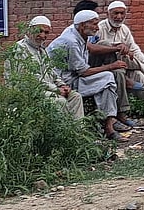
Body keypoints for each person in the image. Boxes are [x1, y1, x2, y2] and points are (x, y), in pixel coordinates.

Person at [47, 10, 130, 141]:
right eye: (94, 24)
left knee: (108, 79)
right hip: (64, 83)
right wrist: (111, 66)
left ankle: (109, 125)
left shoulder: (82, 37)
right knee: (108, 76)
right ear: (81, 26)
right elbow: (83, 72)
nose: (97, 28)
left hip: (75, 78)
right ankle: (108, 126)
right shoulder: (71, 42)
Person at [97, 0, 144, 116]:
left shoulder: (124, 29)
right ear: (108, 14)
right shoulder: (100, 28)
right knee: (120, 51)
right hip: (104, 67)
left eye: (122, 14)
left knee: (137, 74)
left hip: (122, 66)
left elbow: (134, 49)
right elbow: (94, 50)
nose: (119, 17)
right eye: (115, 13)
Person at [7, 15, 84, 119]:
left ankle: (78, 131)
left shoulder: (41, 50)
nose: (42, 35)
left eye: (46, 32)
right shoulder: (20, 49)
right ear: (30, 30)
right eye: (39, 31)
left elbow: (52, 72)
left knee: (75, 97)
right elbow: (30, 79)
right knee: (60, 101)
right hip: (28, 91)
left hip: (46, 89)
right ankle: (61, 132)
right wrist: (56, 90)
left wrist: (62, 85)